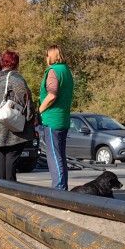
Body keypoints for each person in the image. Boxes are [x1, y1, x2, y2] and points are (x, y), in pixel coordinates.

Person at [0, 50, 37, 181]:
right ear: (16, 64)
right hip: (11, 129)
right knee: (11, 156)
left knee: (1, 155)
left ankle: (3, 188)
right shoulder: (16, 79)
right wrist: (30, 118)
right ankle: (11, 189)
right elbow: (26, 102)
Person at [38, 44, 74, 190]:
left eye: (47, 55)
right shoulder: (66, 71)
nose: (46, 58)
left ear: (52, 56)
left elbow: (52, 94)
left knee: (54, 156)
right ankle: (62, 186)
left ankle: (59, 189)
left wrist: (39, 110)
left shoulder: (53, 71)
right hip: (63, 118)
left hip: (52, 119)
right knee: (60, 156)